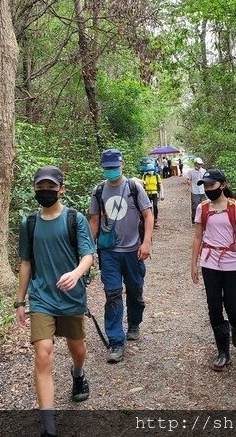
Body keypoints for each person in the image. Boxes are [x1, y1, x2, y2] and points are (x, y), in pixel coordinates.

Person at [17, 166, 96, 437]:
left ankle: (78, 373)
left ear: (62, 188)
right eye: (41, 188)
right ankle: (48, 427)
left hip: (71, 297)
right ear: (34, 190)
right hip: (41, 298)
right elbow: (26, 263)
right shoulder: (29, 223)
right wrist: (20, 302)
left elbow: (88, 255)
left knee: (78, 348)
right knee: (43, 354)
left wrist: (76, 274)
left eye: (51, 187)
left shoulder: (75, 219)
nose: (46, 192)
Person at [89, 149, 154, 363]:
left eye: (114, 167)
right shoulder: (98, 191)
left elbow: (147, 215)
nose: (111, 171)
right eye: (107, 168)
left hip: (134, 250)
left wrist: (146, 243)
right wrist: (88, 250)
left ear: (122, 164)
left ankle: (134, 322)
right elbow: (94, 222)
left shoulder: (134, 187)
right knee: (113, 293)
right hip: (109, 253)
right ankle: (116, 342)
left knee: (135, 290)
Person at [190, 169, 236, 371]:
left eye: (211, 185)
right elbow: (197, 237)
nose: (208, 190)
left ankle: (235, 326)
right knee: (214, 307)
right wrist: (194, 264)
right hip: (210, 263)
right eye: (205, 186)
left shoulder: (235, 207)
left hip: (231, 262)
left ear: (222, 185)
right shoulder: (202, 208)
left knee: (231, 305)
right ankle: (223, 352)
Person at [185, 157, 207, 224]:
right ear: (195, 164)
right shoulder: (191, 172)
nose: (199, 165)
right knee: (195, 206)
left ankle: (204, 219)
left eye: (200, 164)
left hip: (203, 191)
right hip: (195, 191)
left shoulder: (204, 171)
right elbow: (188, 179)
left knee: (205, 205)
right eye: (198, 164)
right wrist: (188, 181)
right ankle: (194, 218)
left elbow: (206, 179)